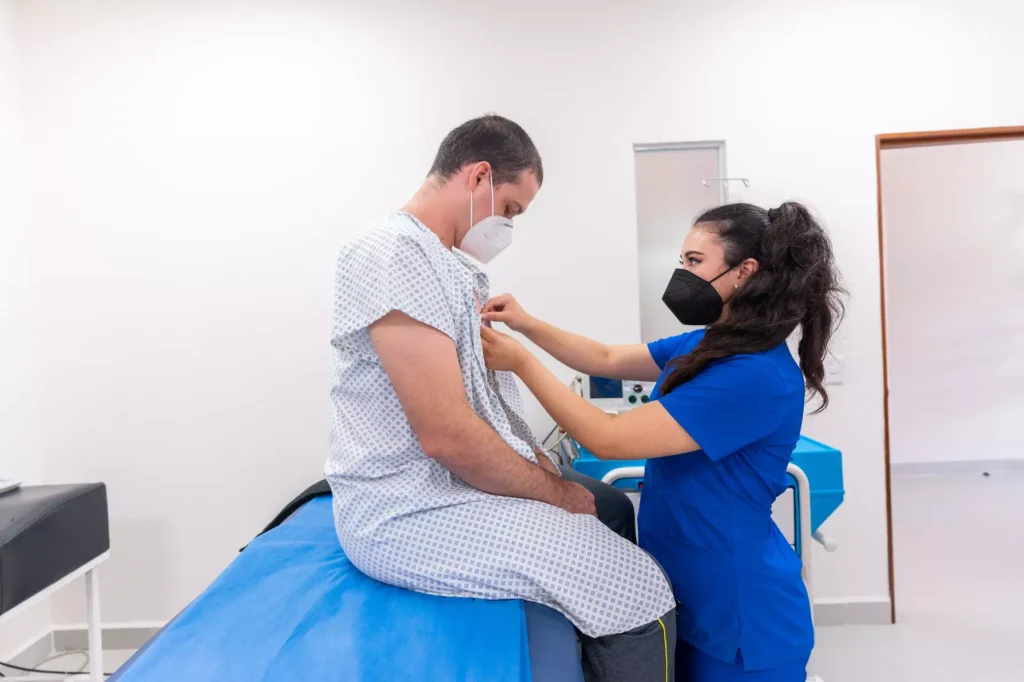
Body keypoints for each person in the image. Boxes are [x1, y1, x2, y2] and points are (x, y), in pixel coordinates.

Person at [326, 114, 677, 682]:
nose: (508, 227)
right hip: (406, 505)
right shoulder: (394, 255)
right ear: (480, 176)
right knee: (637, 586)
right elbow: (446, 434)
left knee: (610, 507)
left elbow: (483, 401)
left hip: (451, 486)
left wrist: (542, 469)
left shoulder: (448, 266)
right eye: (510, 209)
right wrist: (552, 492)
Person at [480, 202, 845, 682]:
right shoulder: (709, 345)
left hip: (740, 615)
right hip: (691, 588)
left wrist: (523, 363)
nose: (682, 274)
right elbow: (606, 357)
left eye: (694, 262)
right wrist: (527, 323)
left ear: (745, 272)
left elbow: (608, 438)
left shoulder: (753, 374)